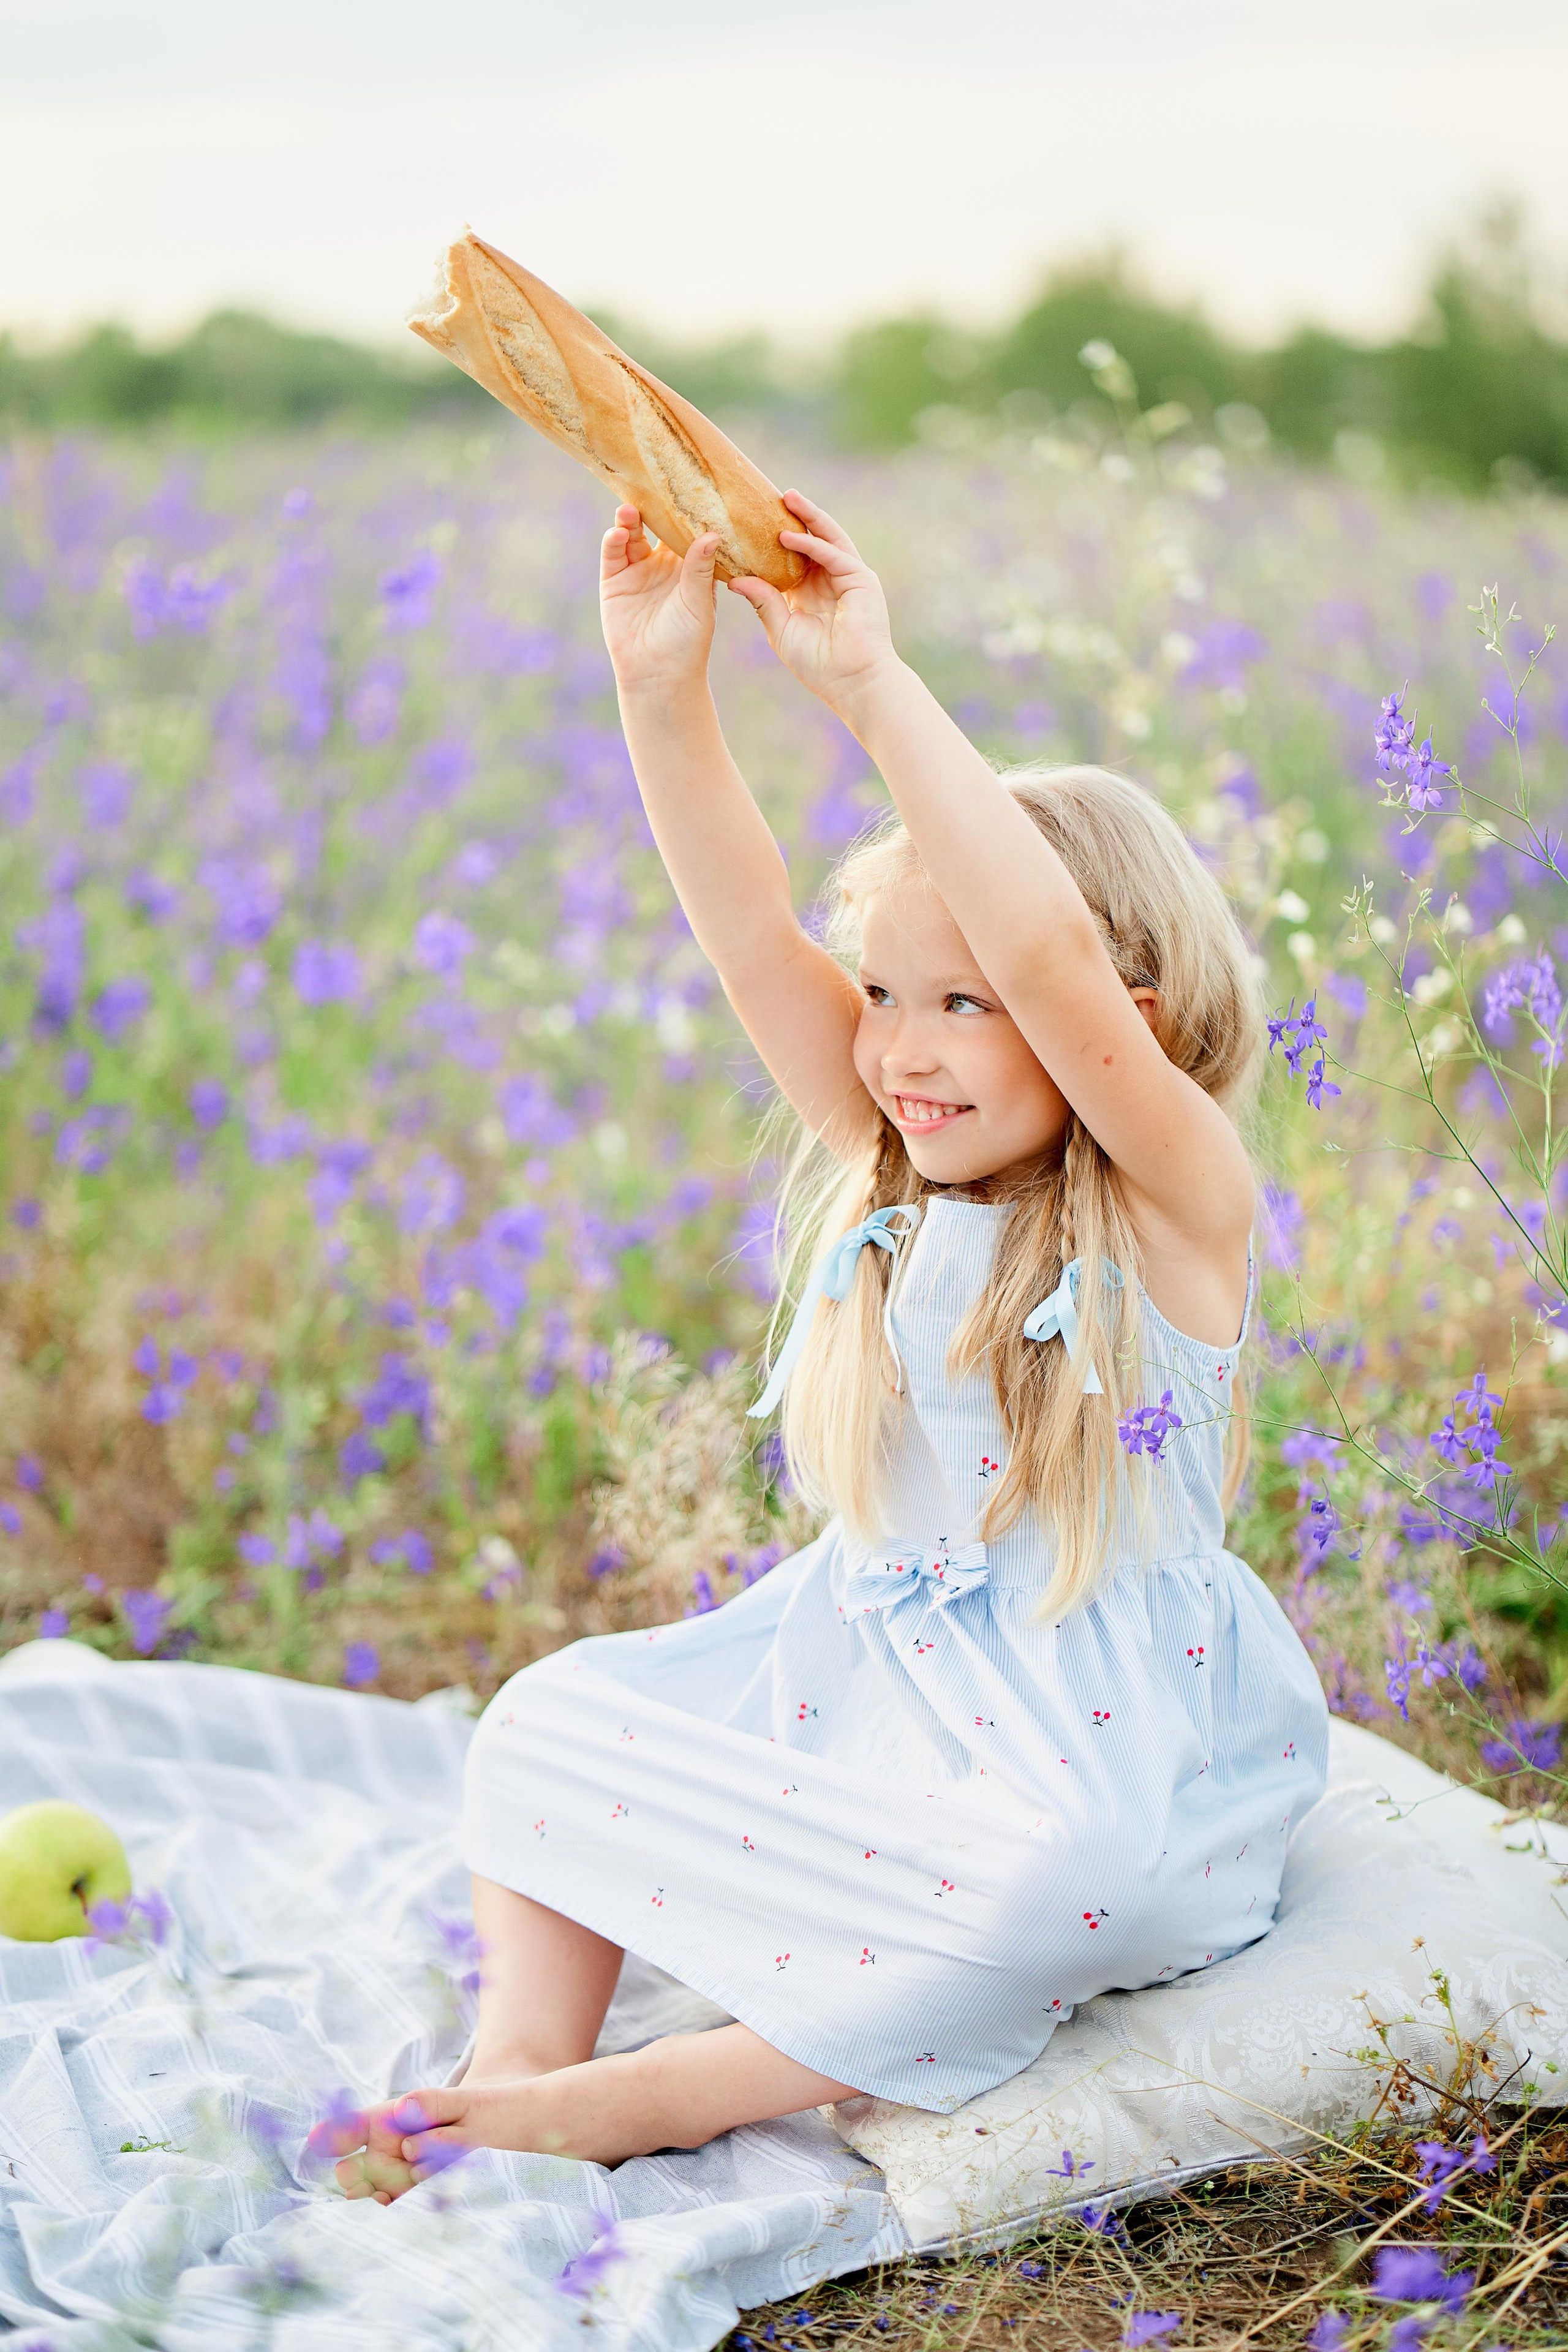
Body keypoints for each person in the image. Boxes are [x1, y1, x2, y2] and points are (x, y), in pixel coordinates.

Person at [333, 490, 1329, 2201]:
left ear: (1118, 1028)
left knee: (1056, 1890)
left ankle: (663, 2096)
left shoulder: (1176, 1204)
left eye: (964, 1004)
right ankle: (516, 2067)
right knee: (542, 1724)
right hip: (866, 1692)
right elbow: (745, 926)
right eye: (883, 994)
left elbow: (1045, 944)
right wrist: (664, 687)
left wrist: (868, 685)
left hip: (1099, 1760)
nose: (902, 1049)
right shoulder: (892, 1157)